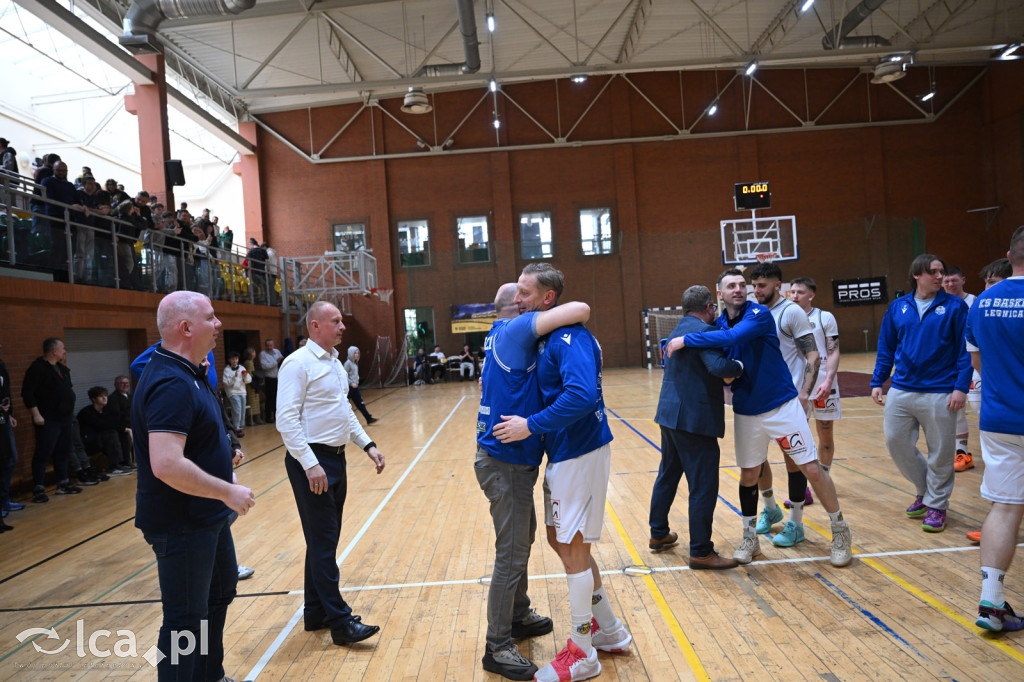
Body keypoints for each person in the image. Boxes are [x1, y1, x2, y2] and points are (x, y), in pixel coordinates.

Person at [493, 263, 632, 681]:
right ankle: (609, 631)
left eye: (524, 293)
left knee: (572, 547)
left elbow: (581, 396)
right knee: (562, 541)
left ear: (548, 299)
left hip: (581, 450)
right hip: (565, 451)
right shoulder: (548, 335)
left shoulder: (568, 338)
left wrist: (529, 425)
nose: (518, 300)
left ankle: (583, 651)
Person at [671, 268, 852, 567]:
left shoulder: (758, 314)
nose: (739, 289)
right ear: (719, 294)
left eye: (743, 285)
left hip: (782, 404)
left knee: (812, 469)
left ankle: (840, 531)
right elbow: (722, 364)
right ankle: (750, 537)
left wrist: (686, 340)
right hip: (746, 409)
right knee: (749, 475)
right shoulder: (716, 324)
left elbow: (733, 336)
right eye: (731, 286)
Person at [132, 291, 254, 681]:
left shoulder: (192, 370)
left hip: (207, 516)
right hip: (181, 524)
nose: (218, 324)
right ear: (187, 327)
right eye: (211, 317)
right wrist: (226, 491)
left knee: (220, 594)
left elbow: (196, 442)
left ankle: (209, 674)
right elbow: (166, 463)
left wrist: (224, 471)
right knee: (185, 621)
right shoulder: (170, 381)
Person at [474, 278, 591, 680]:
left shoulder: (496, 336)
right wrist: (541, 308)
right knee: (511, 553)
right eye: (522, 298)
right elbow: (581, 310)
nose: (528, 304)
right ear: (517, 307)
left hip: (507, 461)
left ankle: (519, 615)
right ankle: (497, 646)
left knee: (521, 542)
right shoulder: (517, 326)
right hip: (504, 464)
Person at [276, 301, 385, 646]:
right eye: (335, 321)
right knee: (324, 542)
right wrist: (310, 464)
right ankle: (340, 622)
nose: (342, 327)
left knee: (323, 540)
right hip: (312, 462)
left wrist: (368, 445)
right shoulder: (297, 365)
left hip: (336, 460)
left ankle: (315, 612)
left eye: (341, 321)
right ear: (315, 326)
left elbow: (345, 413)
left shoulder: (336, 364)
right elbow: (286, 421)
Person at [871, 254, 971, 533]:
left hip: (940, 391)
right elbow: (886, 347)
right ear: (917, 275)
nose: (940, 277)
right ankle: (924, 490)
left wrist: (960, 387)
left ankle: (937, 505)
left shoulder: (955, 306)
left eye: (942, 272)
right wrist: (878, 381)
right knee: (896, 442)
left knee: (941, 452)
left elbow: (965, 351)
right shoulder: (898, 307)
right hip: (901, 389)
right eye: (934, 272)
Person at [648, 285, 743, 568]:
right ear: (709, 308)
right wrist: (738, 365)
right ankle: (701, 551)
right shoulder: (705, 332)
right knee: (703, 485)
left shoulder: (677, 330)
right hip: (694, 421)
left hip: (669, 415)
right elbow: (718, 367)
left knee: (668, 474)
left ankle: (659, 533)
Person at [967, 225, 1024, 632]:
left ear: (1010, 254)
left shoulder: (983, 301)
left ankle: (992, 602)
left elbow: (978, 364)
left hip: (999, 418)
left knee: (1004, 507)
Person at [747, 263, 821, 548]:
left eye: (762, 285)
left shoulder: (791, 312)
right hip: (757, 400)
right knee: (756, 460)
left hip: (787, 400)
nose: (756, 290)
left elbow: (813, 356)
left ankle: (796, 523)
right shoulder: (753, 311)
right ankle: (770, 508)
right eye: (754, 285)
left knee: (795, 462)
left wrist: (804, 394)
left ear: (778, 285)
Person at [788, 276, 842, 488]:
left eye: (799, 292)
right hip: (797, 385)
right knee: (797, 435)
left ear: (811, 295)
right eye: (792, 292)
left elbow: (833, 349)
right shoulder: (787, 318)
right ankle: (802, 485)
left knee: (826, 432)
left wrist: (829, 379)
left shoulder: (824, 317)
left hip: (823, 385)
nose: (794, 296)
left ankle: (823, 480)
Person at [21, 337, 81, 502]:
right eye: (62, 348)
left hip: (65, 418)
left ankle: (63, 483)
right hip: (48, 418)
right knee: (43, 452)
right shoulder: (37, 369)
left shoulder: (62, 369)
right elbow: (27, 393)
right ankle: (39, 488)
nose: (65, 351)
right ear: (54, 351)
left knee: (63, 451)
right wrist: (36, 414)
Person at [943, 265, 978, 472]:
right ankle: (961, 453)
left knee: (979, 407)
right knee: (957, 411)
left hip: (974, 361)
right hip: (951, 364)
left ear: (963, 280)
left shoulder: (975, 301)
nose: (950, 284)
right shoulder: (942, 303)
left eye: (954, 280)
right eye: (946, 281)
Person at [76, 386, 132, 475]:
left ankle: (125, 463)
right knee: (111, 433)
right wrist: (124, 429)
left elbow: (114, 423)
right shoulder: (87, 412)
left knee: (122, 434)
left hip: (101, 439)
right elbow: (102, 425)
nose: (104, 398)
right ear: (94, 399)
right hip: (89, 442)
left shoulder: (105, 411)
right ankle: (113, 467)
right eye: (101, 396)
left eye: (105, 395)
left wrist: (126, 429)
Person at [0, 340, 21, 528]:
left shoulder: (1, 365)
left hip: (3, 418)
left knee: (10, 458)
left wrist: (9, 413)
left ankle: (4, 500)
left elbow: (5, 392)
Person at [344, 347, 377, 425]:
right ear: (351, 353)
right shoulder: (348, 363)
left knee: (360, 404)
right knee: (345, 406)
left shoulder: (355, 363)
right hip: (349, 388)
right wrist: (351, 383)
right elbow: (344, 376)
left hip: (355, 388)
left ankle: (368, 418)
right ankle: (345, 423)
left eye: (358, 353)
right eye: (355, 353)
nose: (357, 355)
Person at [106, 375, 134, 466]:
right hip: (121, 424)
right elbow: (116, 414)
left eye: (127, 383)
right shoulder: (113, 398)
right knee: (125, 435)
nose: (125, 385)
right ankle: (126, 462)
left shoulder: (130, 396)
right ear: (115, 385)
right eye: (122, 383)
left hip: (132, 422)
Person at [222, 352, 251, 437]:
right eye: (233, 359)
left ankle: (241, 427)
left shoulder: (242, 367)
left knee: (242, 410)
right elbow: (226, 383)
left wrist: (245, 376)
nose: (235, 360)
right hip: (233, 392)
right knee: (237, 409)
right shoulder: (227, 370)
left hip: (242, 391)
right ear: (229, 360)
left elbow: (249, 380)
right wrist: (234, 377)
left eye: (236, 359)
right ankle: (236, 427)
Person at [258, 338, 283, 422]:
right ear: (265, 346)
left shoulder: (277, 351)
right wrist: (276, 362)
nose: (269, 347)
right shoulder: (263, 354)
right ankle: (268, 417)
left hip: (278, 378)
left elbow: (281, 361)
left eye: (271, 345)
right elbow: (264, 366)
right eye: (268, 345)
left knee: (278, 398)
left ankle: (277, 416)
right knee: (269, 398)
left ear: (273, 345)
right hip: (269, 379)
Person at [241, 347, 263, 425]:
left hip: (253, 383)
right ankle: (251, 419)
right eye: (254, 352)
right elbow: (250, 374)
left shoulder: (250, 362)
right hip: (251, 385)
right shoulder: (249, 363)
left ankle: (256, 418)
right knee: (252, 401)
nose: (255, 353)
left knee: (256, 401)